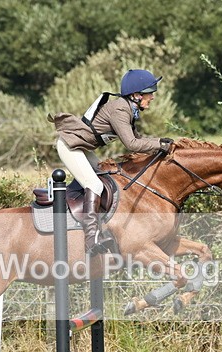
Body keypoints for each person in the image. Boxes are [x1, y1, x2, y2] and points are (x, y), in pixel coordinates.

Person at [50, 69, 174, 255]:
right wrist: (158, 144)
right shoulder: (120, 109)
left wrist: (159, 144)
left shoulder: (129, 109)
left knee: (106, 176)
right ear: (136, 95)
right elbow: (132, 144)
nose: (153, 97)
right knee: (94, 184)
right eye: (150, 92)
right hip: (70, 146)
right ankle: (91, 239)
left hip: (82, 149)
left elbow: (138, 139)